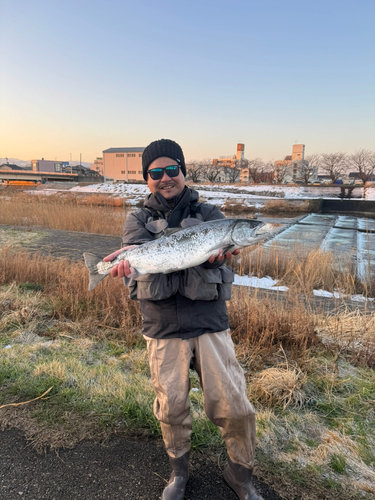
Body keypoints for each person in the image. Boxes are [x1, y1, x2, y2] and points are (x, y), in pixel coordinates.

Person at [104, 139, 263, 500]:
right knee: (172, 407)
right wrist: (127, 265)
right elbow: (138, 256)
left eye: (171, 169)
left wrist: (219, 259)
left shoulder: (211, 214)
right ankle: (179, 473)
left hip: (209, 321)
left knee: (234, 404)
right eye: (155, 173)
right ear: (147, 179)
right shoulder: (138, 219)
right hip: (163, 326)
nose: (164, 178)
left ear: (183, 171)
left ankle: (240, 473)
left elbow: (228, 253)